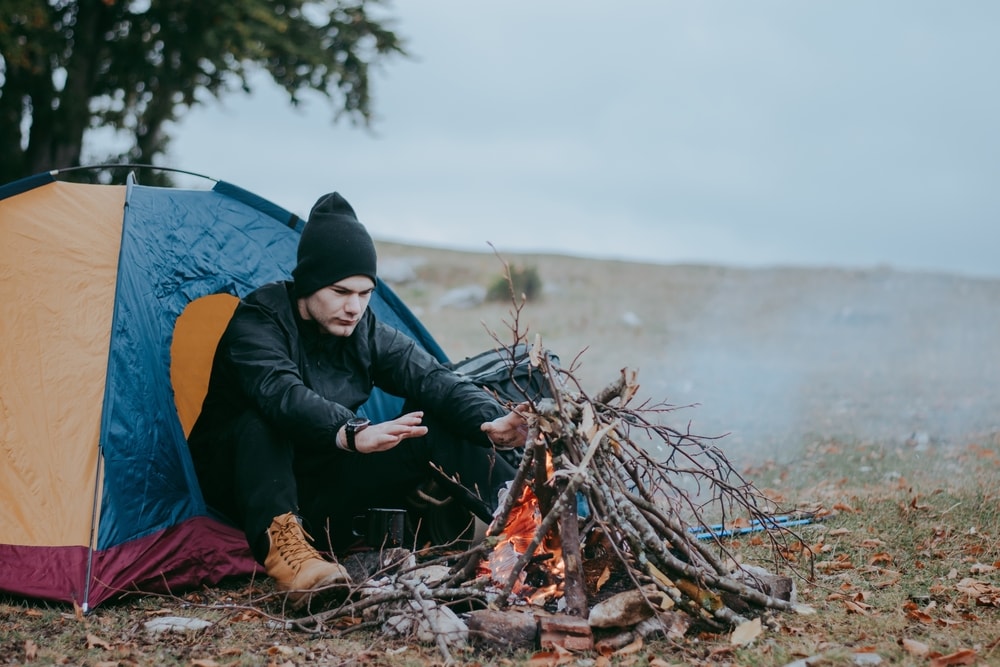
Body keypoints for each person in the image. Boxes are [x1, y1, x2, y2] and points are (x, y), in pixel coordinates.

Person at [188, 192, 528, 609]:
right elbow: (281, 393)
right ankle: (295, 563)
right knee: (259, 422)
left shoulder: (363, 330)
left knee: (436, 418)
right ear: (310, 282)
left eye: (365, 293)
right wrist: (349, 432)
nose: (354, 307)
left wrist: (492, 421)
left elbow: (431, 377)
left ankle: (525, 526)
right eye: (340, 291)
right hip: (246, 486)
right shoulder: (259, 320)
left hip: (323, 486)